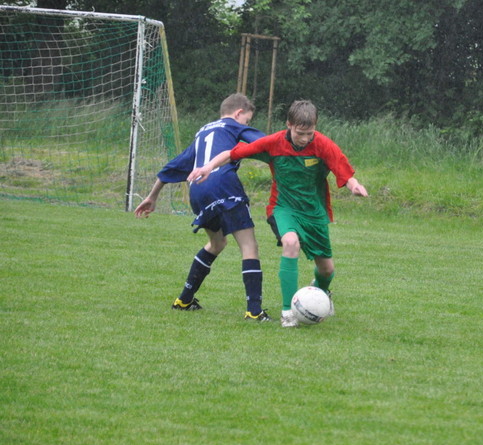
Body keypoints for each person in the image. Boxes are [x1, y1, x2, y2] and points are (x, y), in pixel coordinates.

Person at [188, 100, 368, 327]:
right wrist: (207, 167)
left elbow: (344, 171)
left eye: (309, 133)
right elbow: (231, 153)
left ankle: (320, 293)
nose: (304, 139)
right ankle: (288, 313)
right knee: (290, 243)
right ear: (289, 125)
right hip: (283, 208)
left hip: (314, 213)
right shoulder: (274, 143)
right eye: (300, 133)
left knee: (327, 269)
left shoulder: (323, 145)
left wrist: (354, 186)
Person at [134, 93, 272, 322]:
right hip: (224, 184)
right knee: (249, 246)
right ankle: (254, 311)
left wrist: (152, 196)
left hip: (197, 190)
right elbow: (268, 143)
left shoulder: (203, 131)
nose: (246, 124)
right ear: (238, 113)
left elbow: (174, 166)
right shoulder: (234, 126)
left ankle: (184, 300)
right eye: (247, 120)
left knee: (217, 243)